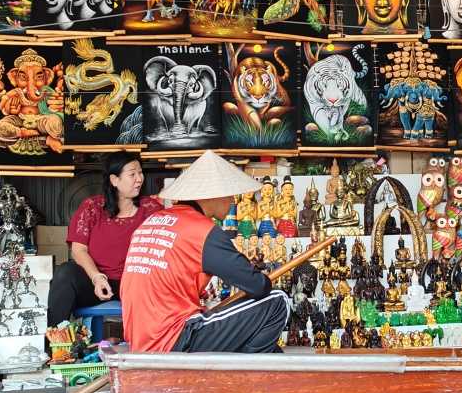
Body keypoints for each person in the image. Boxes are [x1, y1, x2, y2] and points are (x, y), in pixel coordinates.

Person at [120, 150, 290, 353]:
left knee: (272, 350)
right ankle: (243, 376)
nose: (233, 201)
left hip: (142, 339)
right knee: (278, 301)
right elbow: (257, 285)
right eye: (230, 194)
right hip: (173, 337)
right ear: (213, 194)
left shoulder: (151, 222)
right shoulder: (203, 231)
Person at [46, 152, 162, 327]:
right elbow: (79, 250)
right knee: (65, 272)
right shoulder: (92, 208)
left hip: (137, 284)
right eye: (132, 174)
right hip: (96, 283)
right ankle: (56, 342)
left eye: (140, 173)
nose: (139, 179)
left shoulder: (151, 209)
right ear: (114, 180)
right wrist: (97, 278)